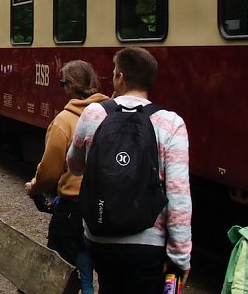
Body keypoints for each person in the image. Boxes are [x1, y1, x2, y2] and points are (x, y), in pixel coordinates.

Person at [67, 47, 192, 293]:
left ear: (120, 77)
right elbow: (178, 196)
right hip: (148, 247)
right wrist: (179, 257)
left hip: (100, 239)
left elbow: (75, 165)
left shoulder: (94, 114)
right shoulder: (171, 123)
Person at [26, 60, 108, 294]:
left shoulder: (64, 121)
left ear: (70, 86)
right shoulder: (111, 112)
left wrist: (34, 187)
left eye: (63, 83)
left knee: (74, 269)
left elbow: (49, 173)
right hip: (108, 207)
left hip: (74, 208)